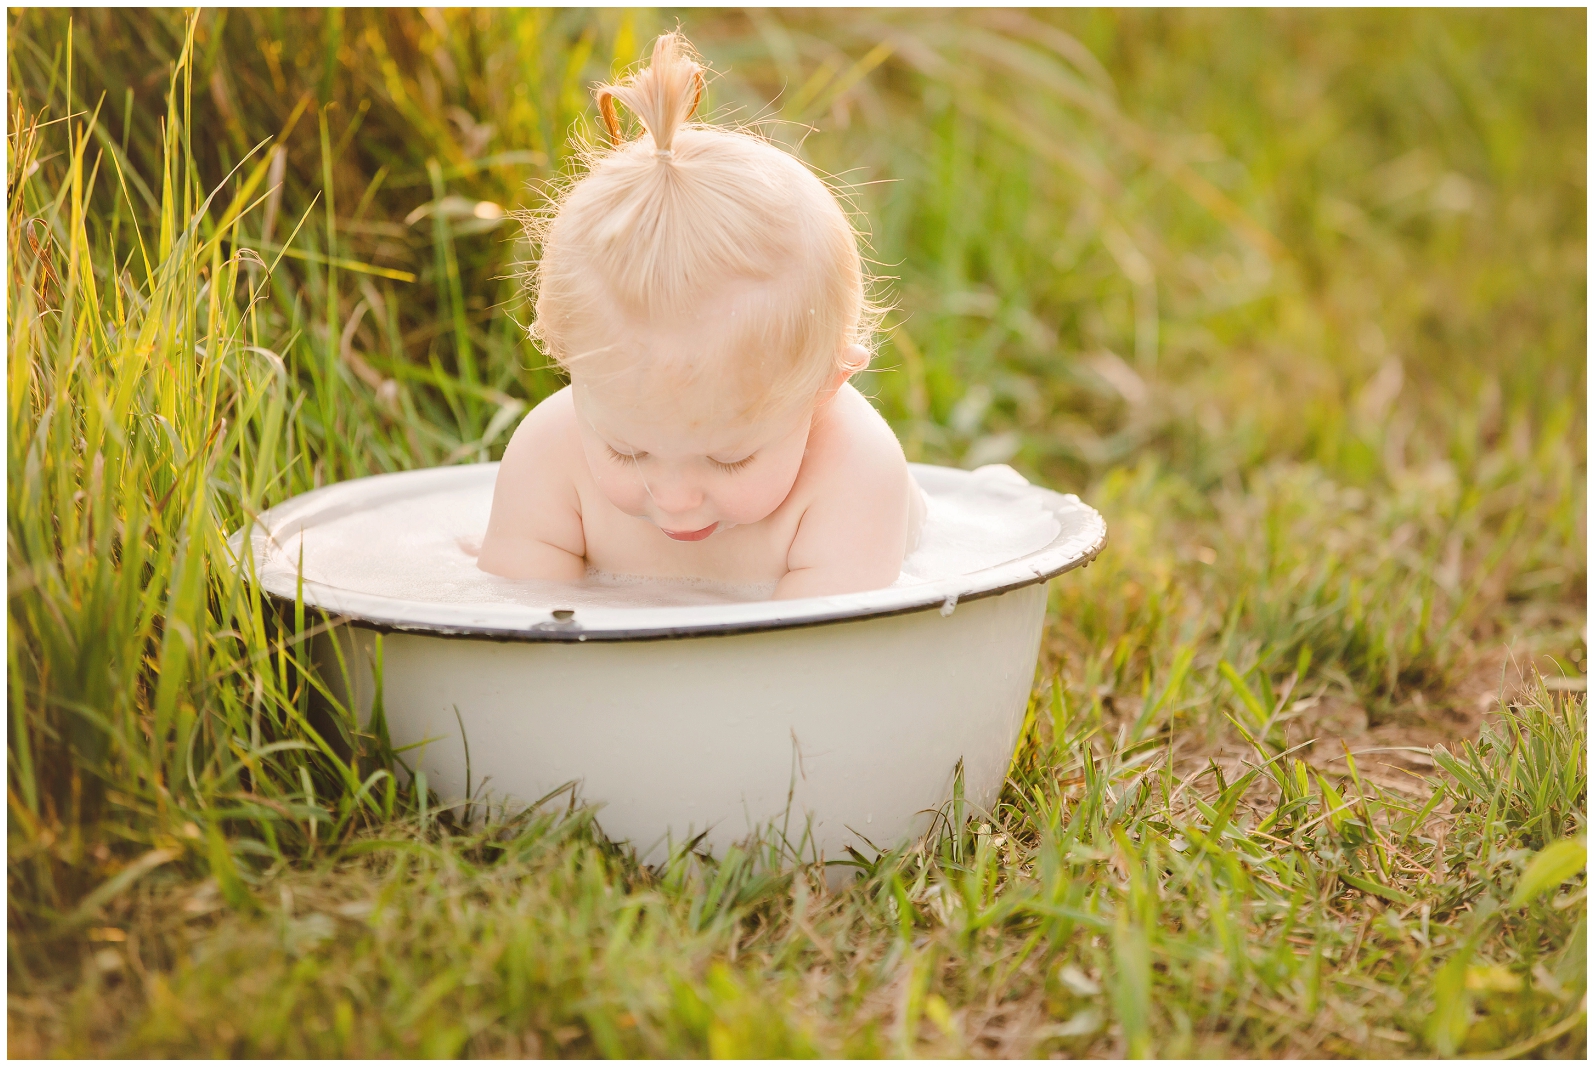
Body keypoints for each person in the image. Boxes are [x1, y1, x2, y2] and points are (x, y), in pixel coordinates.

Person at [478, 31, 923, 599]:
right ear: (571, 366)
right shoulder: (550, 455)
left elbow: (816, 662)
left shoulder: (853, 474)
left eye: (728, 458)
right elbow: (515, 628)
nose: (674, 497)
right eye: (627, 451)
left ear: (827, 386)